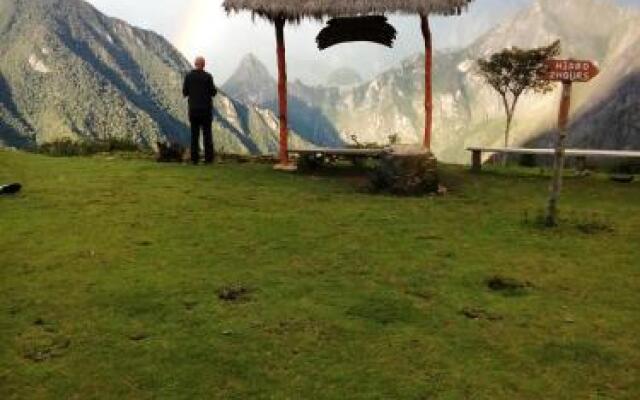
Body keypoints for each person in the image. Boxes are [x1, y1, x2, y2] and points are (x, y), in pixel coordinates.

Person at [183, 56, 218, 165]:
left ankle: (194, 159)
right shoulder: (208, 77)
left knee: (194, 135)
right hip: (206, 111)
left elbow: (185, 92)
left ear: (195, 64)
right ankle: (208, 159)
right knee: (207, 135)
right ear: (203, 65)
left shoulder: (188, 77)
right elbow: (213, 92)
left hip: (193, 110)